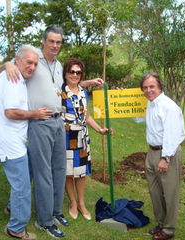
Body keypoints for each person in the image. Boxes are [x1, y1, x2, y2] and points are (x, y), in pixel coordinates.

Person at [0, 25, 104, 238]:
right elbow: (5, 69)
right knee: (43, 174)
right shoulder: (32, 58)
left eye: (58, 42)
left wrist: (88, 82)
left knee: (59, 169)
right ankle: (44, 221)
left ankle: (55, 211)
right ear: (43, 41)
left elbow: (69, 86)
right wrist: (6, 65)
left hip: (60, 124)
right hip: (40, 122)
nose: (55, 45)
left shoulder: (57, 65)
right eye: (52, 41)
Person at [0, 45, 44, 239]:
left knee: (29, 170)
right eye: (29, 62)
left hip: (15, 140)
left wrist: (7, 64)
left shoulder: (14, 73)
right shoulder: (13, 79)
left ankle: (12, 208)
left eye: (35, 63)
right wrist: (35, 114)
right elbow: (10, 112)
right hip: (8, 142)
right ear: (18, 60)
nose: (32, 67)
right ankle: (16, 228)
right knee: (23, 187)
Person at [61, 58, 112, 221]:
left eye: (78, 72)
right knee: (68, 173)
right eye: (71, 71)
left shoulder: (83, 93)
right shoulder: (59, 91)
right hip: (66, 137)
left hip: (82, 138)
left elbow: (87, 116)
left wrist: (100, 130)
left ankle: (82, 204)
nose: (74, 75)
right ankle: (73, 203)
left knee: (81, 173)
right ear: (65, 73)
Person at [140, 73, 185, 240]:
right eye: (145, 87)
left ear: (159, 86)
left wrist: (165, 158)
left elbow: (172, 134)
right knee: (155, 192)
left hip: (168, 152)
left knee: (169, 192)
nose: (148, 90)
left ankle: (168, 229)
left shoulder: (168, 106)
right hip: (152, 152)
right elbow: (138, 118)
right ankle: (160, 223)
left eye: (152, 86)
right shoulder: (150, 104)